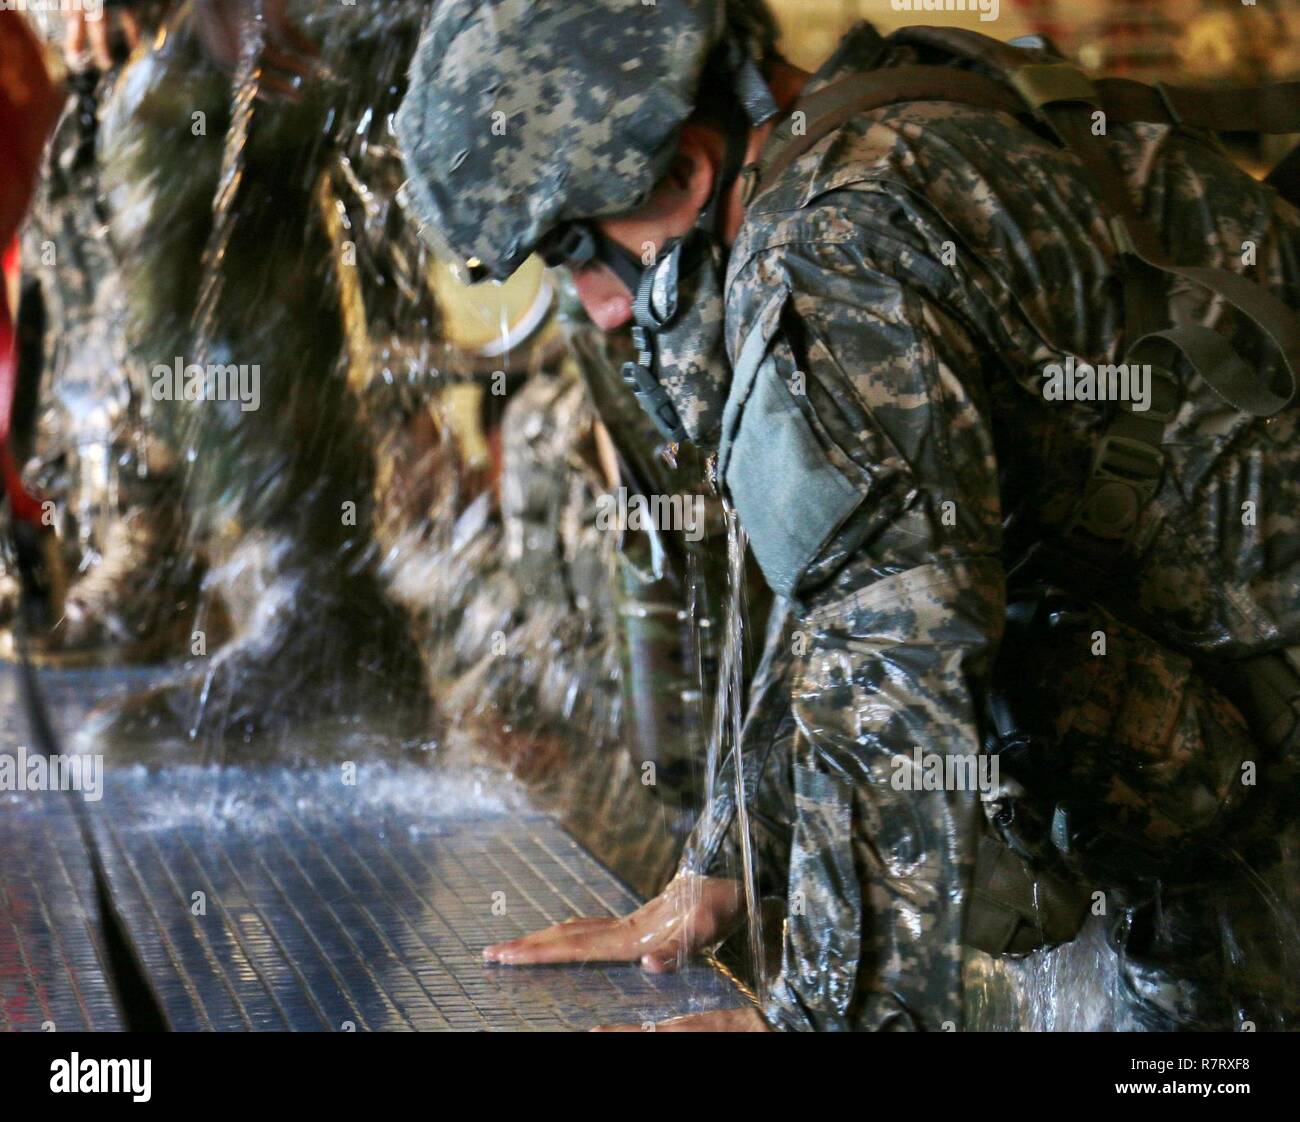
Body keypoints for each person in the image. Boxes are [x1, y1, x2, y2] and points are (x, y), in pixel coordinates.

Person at [395, 0, 1300, 1031]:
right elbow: (836, 579)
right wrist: (728, 855)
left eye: (575, 251)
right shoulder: (877, 120)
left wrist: (822, 1017)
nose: (601, 309)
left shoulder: (829, 246)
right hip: (1231, 657)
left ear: (688, 169)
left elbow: (888, 656)